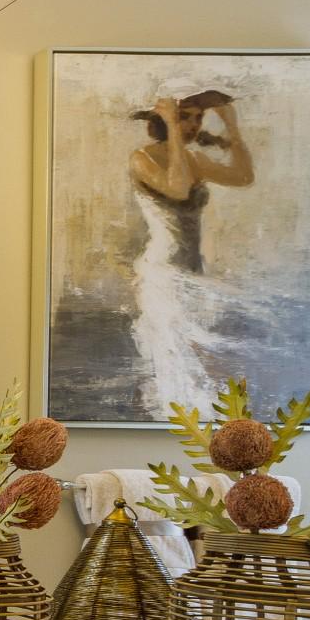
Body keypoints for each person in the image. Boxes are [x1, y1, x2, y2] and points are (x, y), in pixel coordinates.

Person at [124, 87, 256, 414]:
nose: (194, 125)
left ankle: (197, 428)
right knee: (175, 363)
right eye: (185, 117)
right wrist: (171, 125)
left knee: (196, 363)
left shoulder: (192, 159)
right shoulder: (142, 158)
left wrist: (232, 126)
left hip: (192, 272)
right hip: (163, 274)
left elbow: (244, 176)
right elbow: (179, 189)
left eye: (199, 118)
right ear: (162, 117)